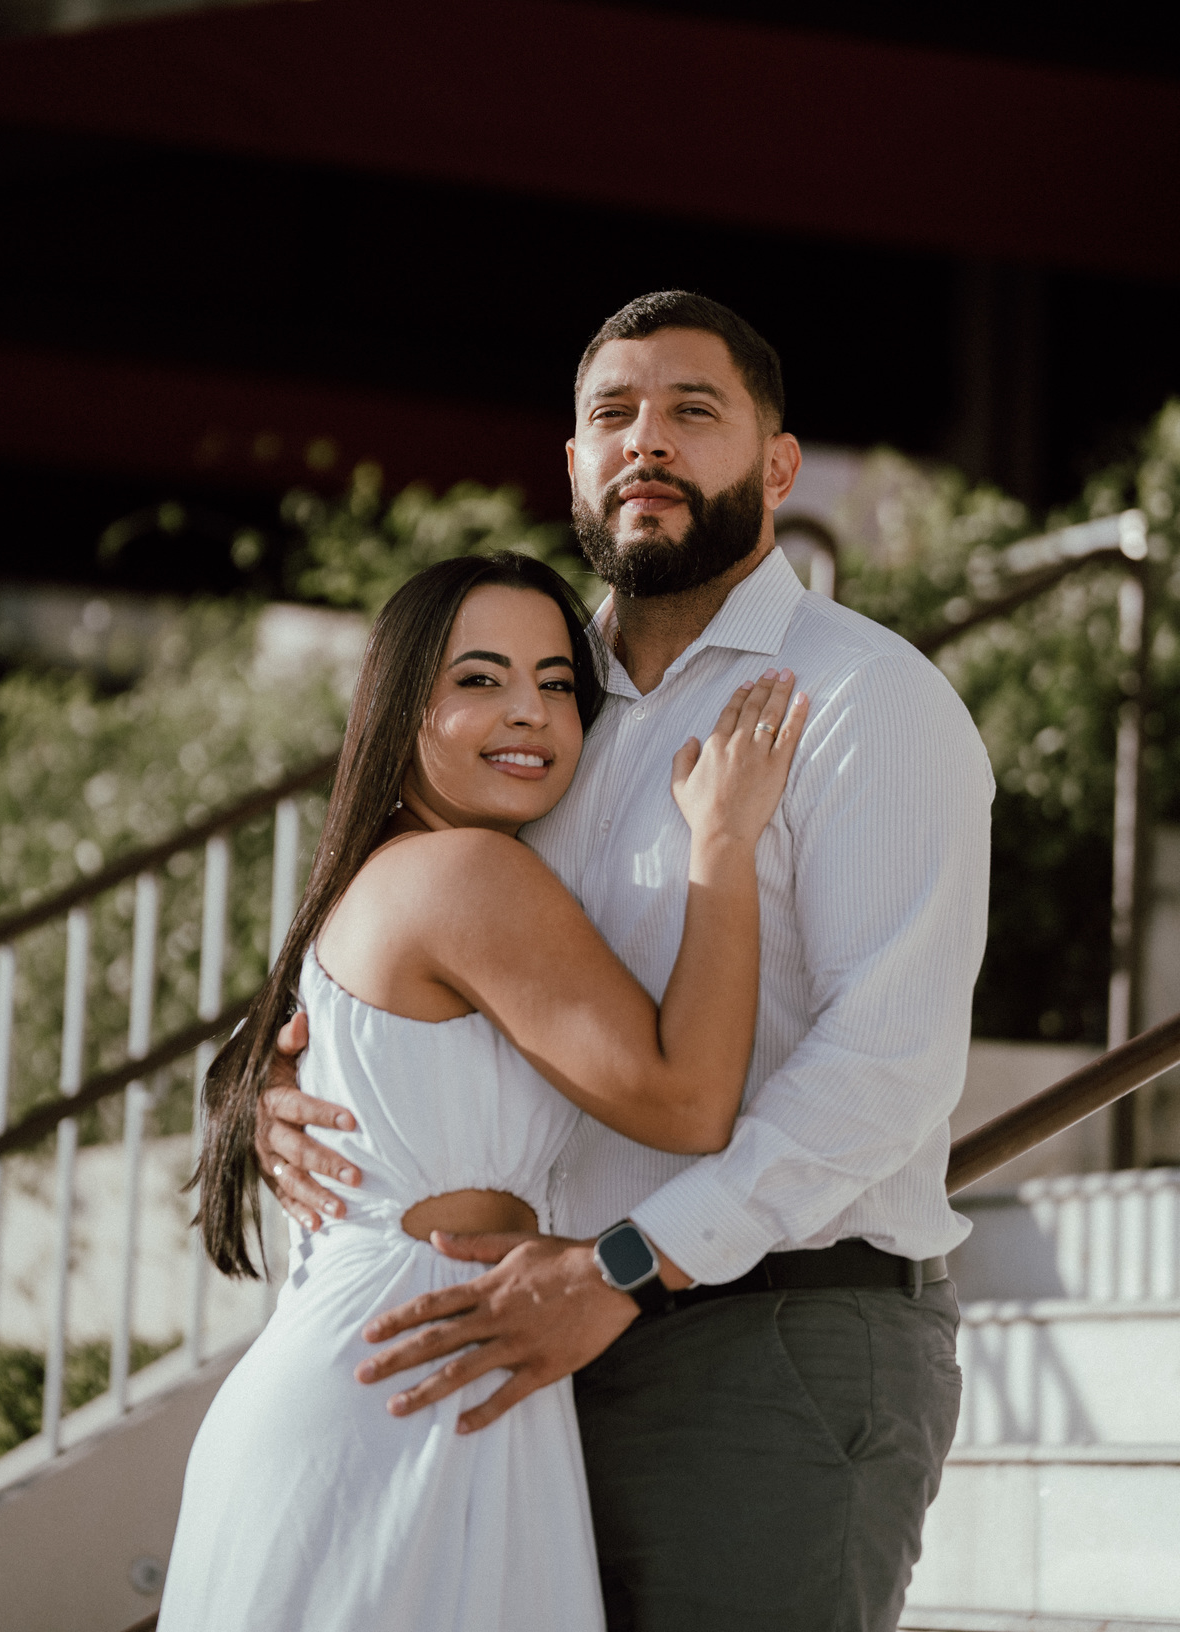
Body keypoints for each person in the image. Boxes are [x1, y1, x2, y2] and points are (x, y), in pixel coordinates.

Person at [263, 291, 995, 1632]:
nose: (645, 441)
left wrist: (628, 1263)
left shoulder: (862, 701)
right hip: (524, 1351)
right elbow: (415, 946)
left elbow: (888, 1067)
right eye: (613, 414)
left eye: (692, 411)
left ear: (780, 465)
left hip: (768, 1347)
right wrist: (276, 1084)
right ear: (572, 463)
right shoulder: (538, 708)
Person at [157, 548, 807, 1632]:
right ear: (402, 704)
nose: (530, 715)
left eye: (556, 683)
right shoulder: (468, 873)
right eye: (480, 679)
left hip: (418, 1367)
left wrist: (246, 1073)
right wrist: (725, 840)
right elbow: (690, 1105)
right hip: (409, 1387)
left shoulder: (385, 873)